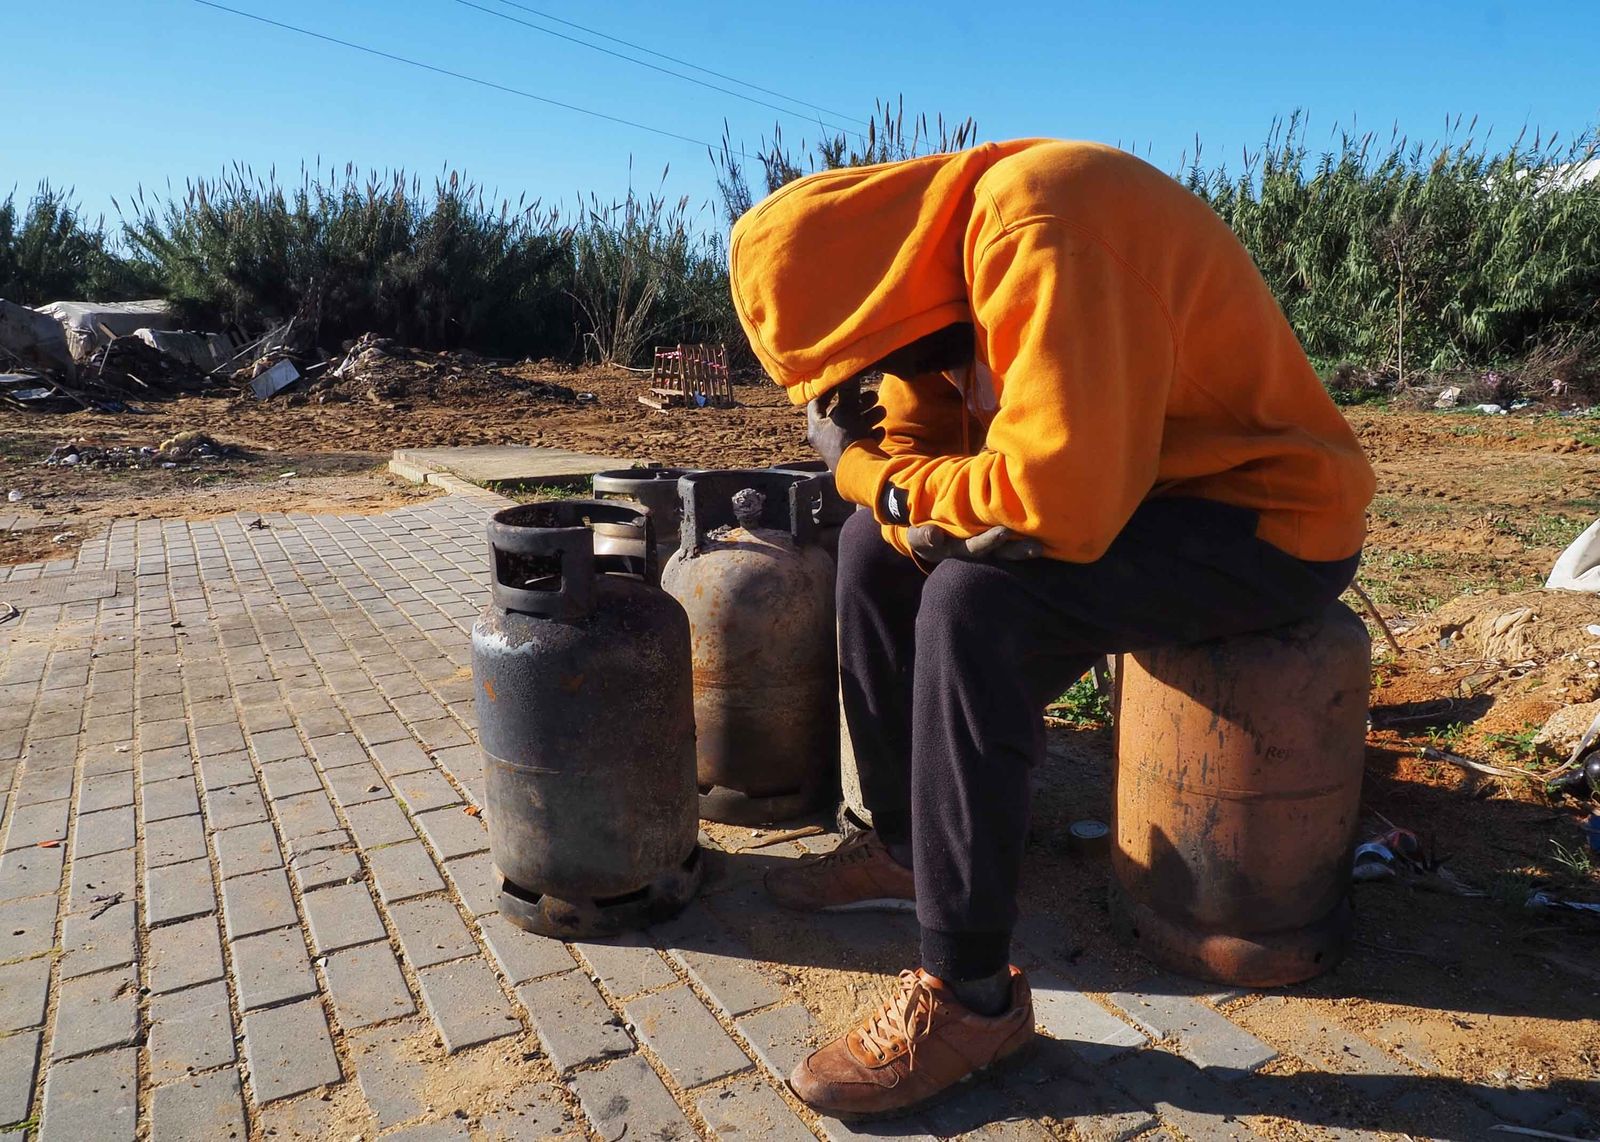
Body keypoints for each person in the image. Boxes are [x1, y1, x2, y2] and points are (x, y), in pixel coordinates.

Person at [726, 139, 1375, 1118]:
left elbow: (1048, 506)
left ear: (877, 303)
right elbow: (911, 455)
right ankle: (906, 847)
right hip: (1139, 497)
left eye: (865, 368)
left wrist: (858, 469)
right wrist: (879, 474)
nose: (879, 390)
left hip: (1264, 517)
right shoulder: (917, 283)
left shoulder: (1043, 222)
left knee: (974, 601)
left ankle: (969, 995)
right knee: (871, 549)